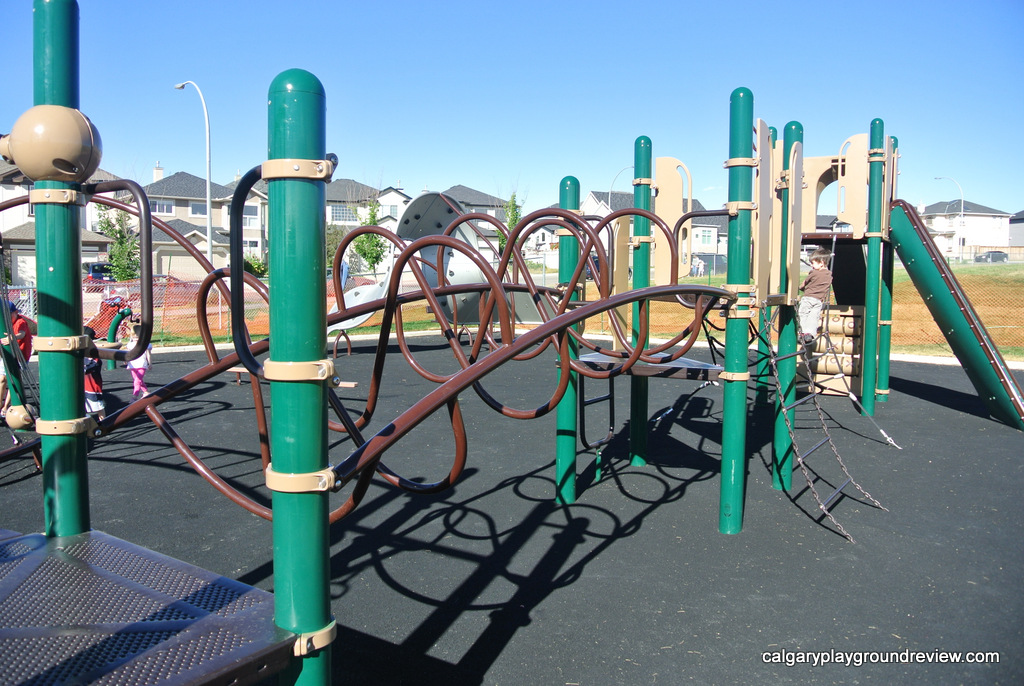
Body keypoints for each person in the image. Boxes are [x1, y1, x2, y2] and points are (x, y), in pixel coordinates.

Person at [1, 301, 33, 418]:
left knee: (13, 379)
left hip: (20, 356)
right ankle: (1, 404)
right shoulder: (4, 323)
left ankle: (6, 407)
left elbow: (22, 334)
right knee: (2, 379)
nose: (7, 318)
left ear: (15, 312)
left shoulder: (21, 321)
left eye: (9, 315)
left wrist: (12, 337)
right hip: (7, 355)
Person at [798, 248, 834, 345]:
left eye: (813, 263)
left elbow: (804, 283)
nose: (811, 265)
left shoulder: (814, 273)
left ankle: (801, 332)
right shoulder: (829, 275)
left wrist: (800, 288)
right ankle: (810, 333)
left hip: (808, 298)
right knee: (814, 317)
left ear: (821, 262)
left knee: (803, 314)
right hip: (819, 301)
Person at [83, 326, 105, 421]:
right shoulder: (81, 354)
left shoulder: (94, 356)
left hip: (92, 386)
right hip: (83, 386)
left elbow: (92, 366)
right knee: (83, 405)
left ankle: (103, 422)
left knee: (98, 406)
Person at [126, 324, 152, 399]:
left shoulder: (145, 345)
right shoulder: (130, 345)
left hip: (141, 365)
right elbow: (128, 353)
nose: (135, 339)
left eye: (137, 337)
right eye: (134, 337)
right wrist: (126, 359)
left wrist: (150, 363)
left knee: (137, 381)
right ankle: (146, 392)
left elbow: (148, 354)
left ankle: (134, 396)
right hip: (133, 365)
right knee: (138, 380)